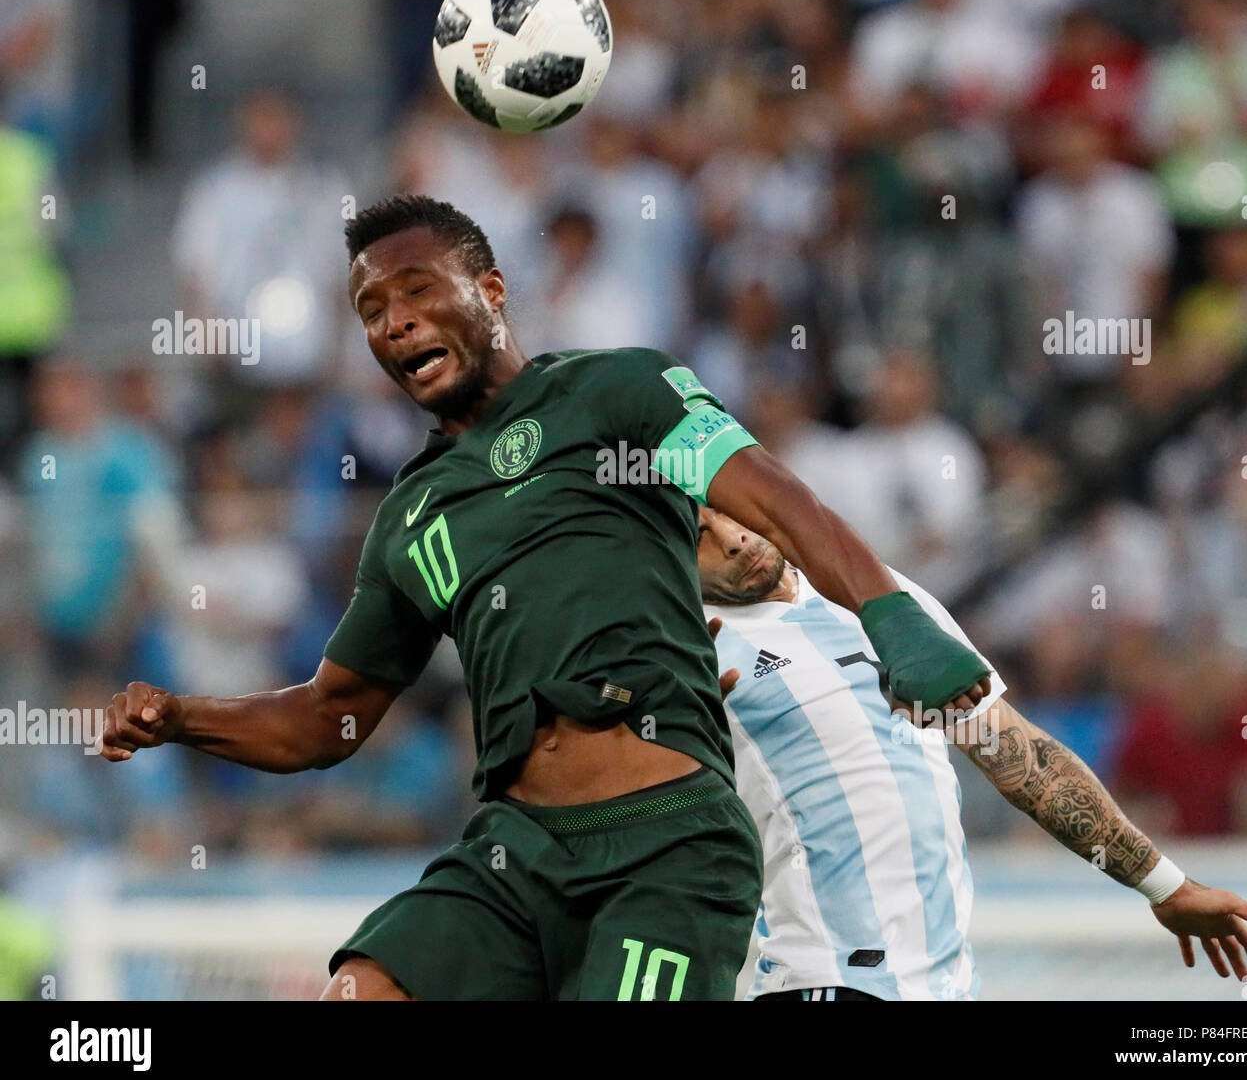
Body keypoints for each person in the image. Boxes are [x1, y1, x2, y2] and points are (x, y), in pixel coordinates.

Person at [99, 195, 991, 1001]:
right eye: (371, 312)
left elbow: (775, 497)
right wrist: (181, 717)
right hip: (512, 854)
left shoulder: (617, 394)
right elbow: (327, 720)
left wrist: (890, 611)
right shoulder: (410, 515)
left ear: (490, 290)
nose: (395, 323)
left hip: (667, 851)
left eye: (415, 292)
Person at [697, 506, 1247, 1001]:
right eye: (697, 533)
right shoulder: (690, 646)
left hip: (947, 987)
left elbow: (1018, 758)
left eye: (729, 510)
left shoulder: (874, 595)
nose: (732, 537)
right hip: (821, 981)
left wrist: (1166, 885)